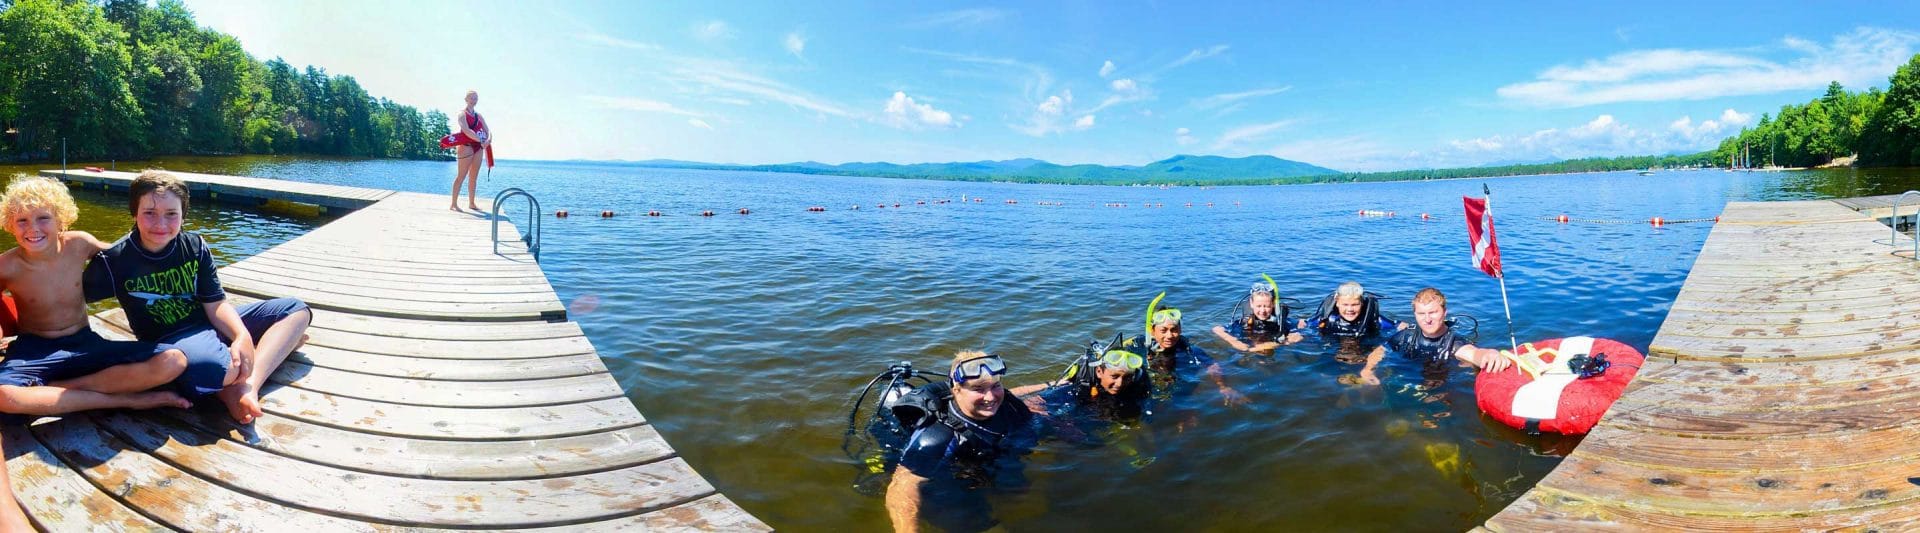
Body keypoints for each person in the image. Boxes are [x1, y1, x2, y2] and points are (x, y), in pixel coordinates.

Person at [83, 170, 313, 424]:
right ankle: (267, 354)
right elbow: (70, 302)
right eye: (150, 213)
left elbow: (215, 304)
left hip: (209, 323)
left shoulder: (194, 246)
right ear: (134, 212)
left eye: (171, 214)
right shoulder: (114, 260)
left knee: (296, 310)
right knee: (213, 369)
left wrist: (241, 335)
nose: (161, 224)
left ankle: (247, 386)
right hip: (172, 341)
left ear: (183, 215)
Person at [0, 176, 192, 423]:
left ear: (61, 219)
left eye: (43, 218)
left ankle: (56, 391)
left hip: (85, 344)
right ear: (10, 224)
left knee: (173, 361)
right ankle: (125, 400)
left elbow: (126, 257)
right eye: (22, 220)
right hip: (34, 349)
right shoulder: (6, 266)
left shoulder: (79, 243)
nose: (32, 229)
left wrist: (171, 251)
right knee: (3, 395)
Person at [886, 351, 1039, 533]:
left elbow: (1011, 393)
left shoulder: (1007, 404)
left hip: (983, 457)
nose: (990, 397)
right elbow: (902, 487)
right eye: (978, 389)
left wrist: (1057, 384)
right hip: (947, 476)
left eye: (995, 385)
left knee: (1018, 492)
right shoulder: (935, 437)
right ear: (956, 390)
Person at [1359, 287, 1510, 387]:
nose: (1427, 319)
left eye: (1433, 312)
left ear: (1444, 313)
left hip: (1437, 387)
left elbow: (1473, 353)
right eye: (1421, 314)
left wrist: (1489, 354)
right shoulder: (1406, 335)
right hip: (1405, 380)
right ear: (1415, 315)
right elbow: (1381, 349)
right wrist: (1368, 369)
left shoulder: (1453, 343)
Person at [1125, 294, 1246, 406]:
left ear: (1180, 330)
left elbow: (1212, 365)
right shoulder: (1137, 346)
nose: (1169, 336)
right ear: (1152, 331)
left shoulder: (1188, 350)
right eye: (1163, 330)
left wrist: (1223, 386)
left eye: (1174, 330)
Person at [1009, 341, 1152, 422]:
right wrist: (1059, 423)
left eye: (1126, 377)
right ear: (1099, 372)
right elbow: (1029, 402)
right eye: (1114, 377)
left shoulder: (1135, 386)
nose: (1120, 384)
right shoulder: (1079, 388)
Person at [1211, 280, 1302, 353]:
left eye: (1266, 306)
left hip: (1270, 349)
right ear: (1251, 304)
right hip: (1254, 343)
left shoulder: (1281, 322)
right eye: (1259, 306)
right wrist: (1234, 341)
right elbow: (1217, 329)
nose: (1262, 311)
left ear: (1273, 304)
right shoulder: (1245, 321)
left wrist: (1297, 332)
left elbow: (1302, 325)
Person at [1299, 281, 1400, 341]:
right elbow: (1304, 323)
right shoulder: (1328, 318)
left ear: (1362, 304)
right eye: (1345, 305)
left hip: (1363, 351)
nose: (1350, 309)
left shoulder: (1372, 319)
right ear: (1337, 303)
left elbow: (1398, 325)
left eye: (1355, 304)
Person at [450, 90, 490, 211]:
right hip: (465, 147)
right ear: (466, 99)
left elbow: (488, 130)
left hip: (478, 148)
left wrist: (488, 140)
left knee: (473, 177)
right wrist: (480, 139)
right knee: (461, 176)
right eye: (471, 98)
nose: (474, 100)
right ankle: (454, 204)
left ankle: (472, 203)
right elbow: (466, 130)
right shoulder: (462, 115)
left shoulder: (479, 116)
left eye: (475, 98)